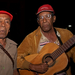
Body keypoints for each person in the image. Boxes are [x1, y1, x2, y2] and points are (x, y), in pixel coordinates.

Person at [17, 4, 75, 75]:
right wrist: (33, 67)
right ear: (38, 22)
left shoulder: (67, 35)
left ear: (54, 19)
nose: (44, 20)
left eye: (48, 16)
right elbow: (16, 57)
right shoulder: (31, 38)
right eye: (41, 17)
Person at [0, 10, 19, 75]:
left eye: (7, 22)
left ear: (9, 28)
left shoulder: (13, 46)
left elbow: (14, 71)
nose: (3, 24)